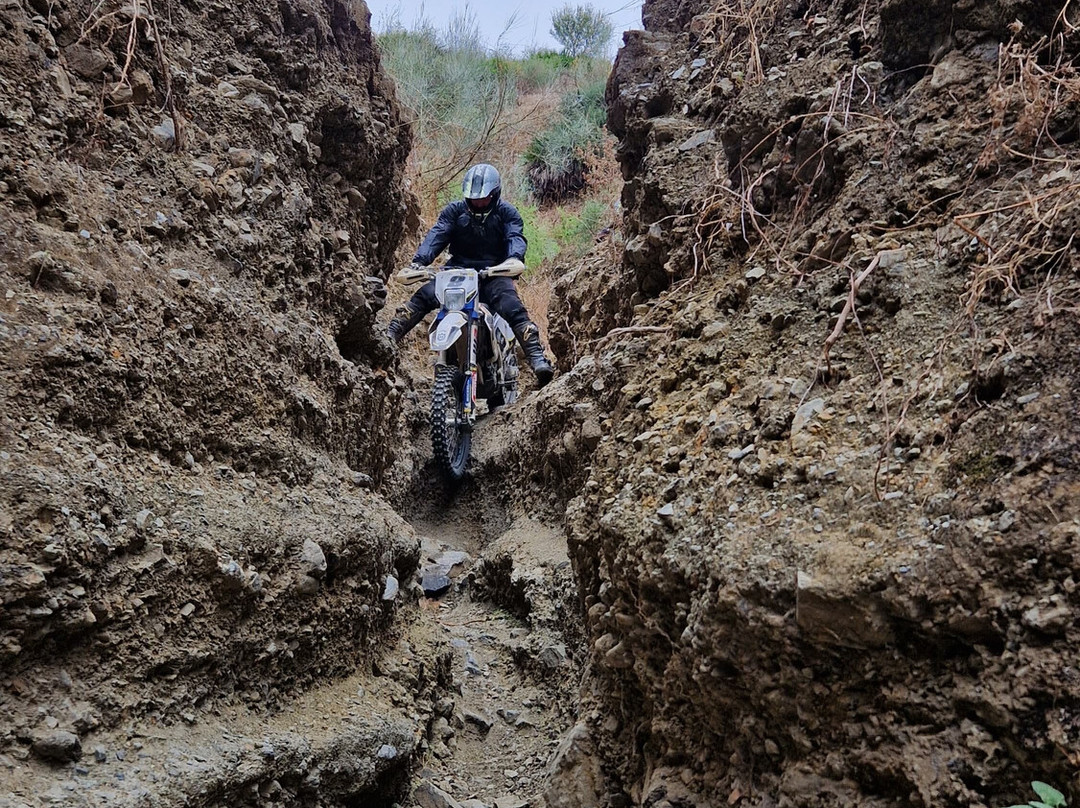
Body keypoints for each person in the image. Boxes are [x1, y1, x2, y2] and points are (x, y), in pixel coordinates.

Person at [387, 163, 555, 387]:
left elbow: (515, 237)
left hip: (494, 273)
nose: (478, 202)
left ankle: (537, 358)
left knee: (512, 306)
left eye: (483, 198)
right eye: (474, 198)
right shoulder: (454, 211)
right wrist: (419, 262)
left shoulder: (507, 213)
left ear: (495, 194)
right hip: (458, 272)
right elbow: (437, 234)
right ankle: (388, 338)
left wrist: (514, 259)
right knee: (423, 296)